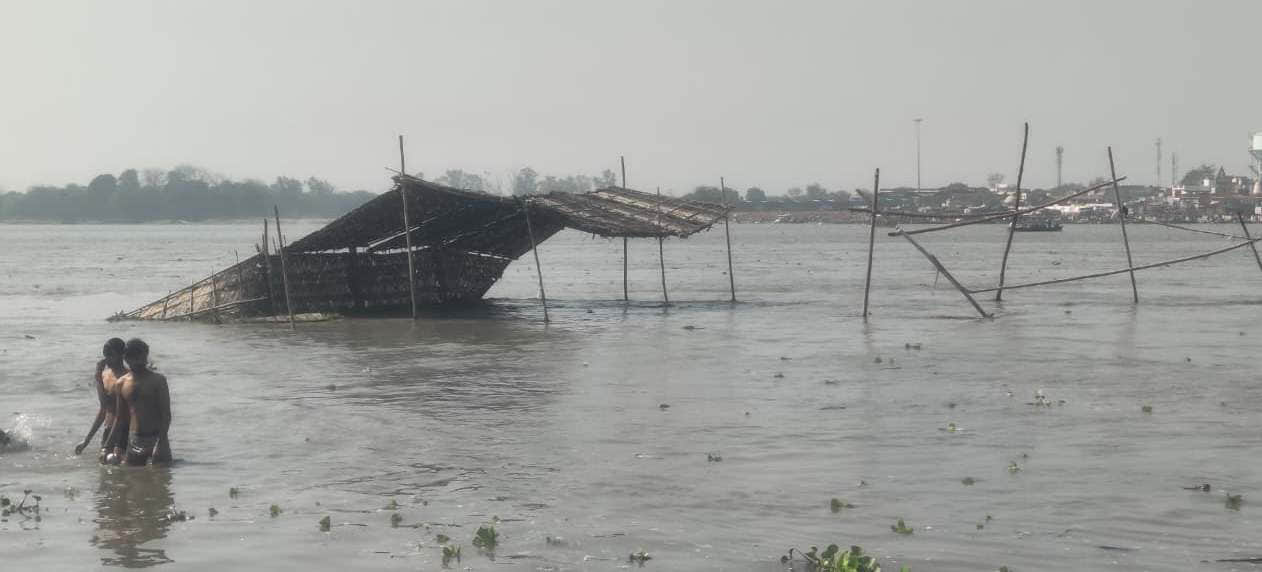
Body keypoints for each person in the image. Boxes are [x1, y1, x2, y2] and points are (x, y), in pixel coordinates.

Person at [108, 339, 172, 465]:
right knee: (133, 478)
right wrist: (108, 446)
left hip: (156, 438)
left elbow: (166, 414)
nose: (140, 361)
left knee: (161, 479)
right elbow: (119, 418)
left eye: (143, 357)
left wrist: (162, 442)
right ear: (127, 358)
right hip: (134, 440)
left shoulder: (158, 380)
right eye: (136, 358)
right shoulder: (121, 383)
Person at [75, 338, 128, 459]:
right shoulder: (104, 375)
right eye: (106, 355)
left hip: (124, 431)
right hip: (108, 430)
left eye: (111, 355)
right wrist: (86, 440)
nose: (107, 359)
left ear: (122, 355)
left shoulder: (128, 377)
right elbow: (104, 408)